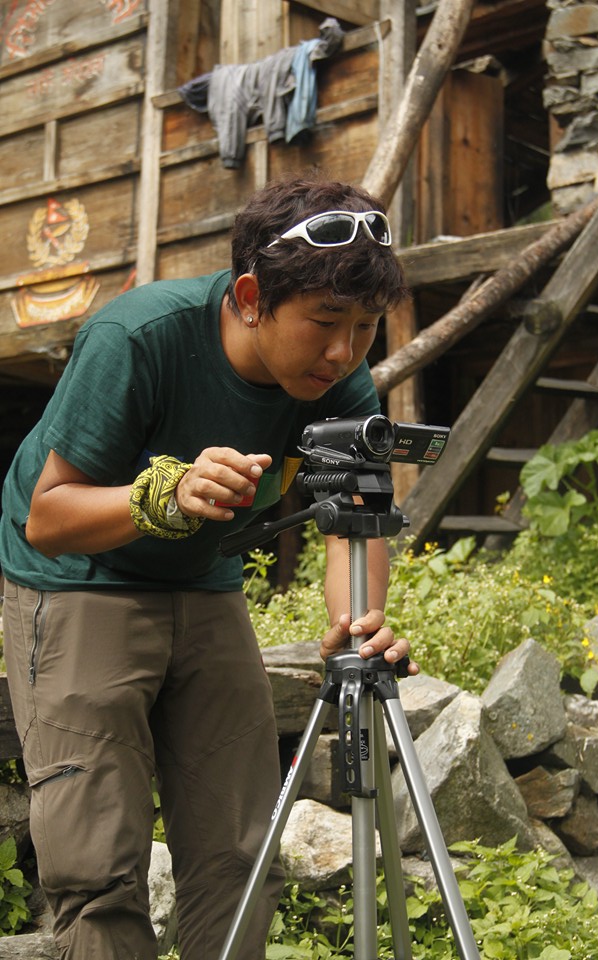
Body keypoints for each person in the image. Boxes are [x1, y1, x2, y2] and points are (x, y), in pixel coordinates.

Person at [0, 175, 418, 960]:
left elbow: (353, 524)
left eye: (366, 328)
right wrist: (163, 493)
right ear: (253, 295)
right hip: (80, 577)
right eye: (326, 322)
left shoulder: (341, 380)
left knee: (239, 847)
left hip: (202, 581)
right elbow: (48, 517)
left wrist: (355, 625)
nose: (343, 351)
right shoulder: (139, 337)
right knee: (98, 861)